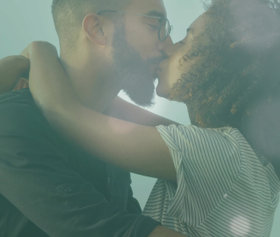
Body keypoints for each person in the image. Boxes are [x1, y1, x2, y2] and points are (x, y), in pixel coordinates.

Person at [21, 0, 280, 236]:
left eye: (186, 40)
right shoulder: (244, 162)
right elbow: (111, 109)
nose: (168, 47)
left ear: (220, 60)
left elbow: (63, 112)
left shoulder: (218, 155)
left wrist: (38, 52)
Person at [0, 0, 186, 236]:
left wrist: (41, 51)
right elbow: (110, 229)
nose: (168, 46)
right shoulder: (14, 120)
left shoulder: (108, 145)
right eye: (154, 25)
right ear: (98, 30)